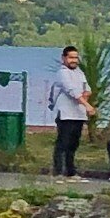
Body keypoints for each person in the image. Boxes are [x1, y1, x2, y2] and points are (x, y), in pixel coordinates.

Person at [43, 45, 91, 177]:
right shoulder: (62, 73)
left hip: (79, 114)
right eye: (71, 57)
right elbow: (72, 91)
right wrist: (87, 105)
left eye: (76, 58)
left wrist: (86, 95)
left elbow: (87, 88)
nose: (74, 60)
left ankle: (70, 172)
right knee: (63, 142)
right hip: (65, 113)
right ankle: (58, 171)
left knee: (73, 144)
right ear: (64, 58)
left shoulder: (80, 73)